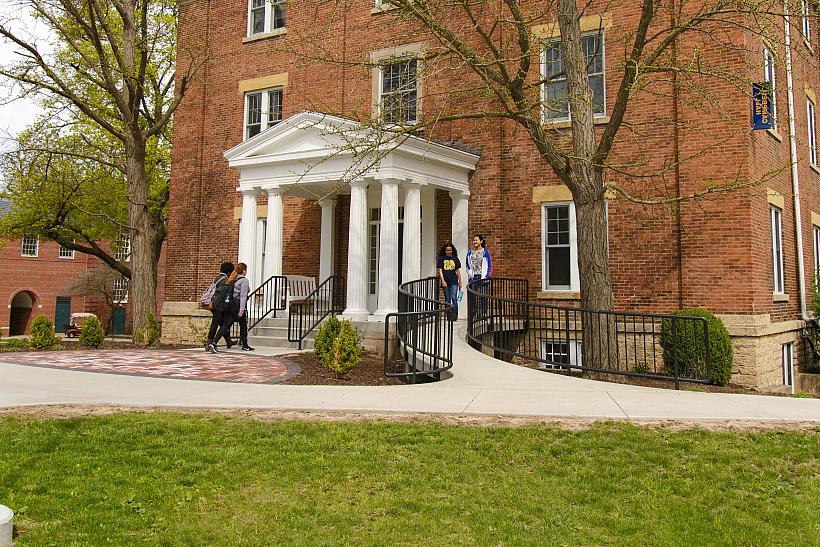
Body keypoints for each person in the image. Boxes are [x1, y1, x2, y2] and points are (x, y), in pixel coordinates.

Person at [206, 261, 236, 353]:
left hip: (213, 303)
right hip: (218, 306)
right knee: (215, 323)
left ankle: (228, 341)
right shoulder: (225, 279)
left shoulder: (217, 278)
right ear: (228, 272)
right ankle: (209, 343)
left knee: (222, 323)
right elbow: (223, 294)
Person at [466, 234, 493, 319]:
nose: (474, 242)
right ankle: (474, 313)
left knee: (483, 296)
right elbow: (467, 265)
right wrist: (470, 273)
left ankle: (484, 314)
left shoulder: (485, 252)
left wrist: (486, 276)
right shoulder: (470, 252)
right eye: (474, 240)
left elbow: (490, 265)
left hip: (483, 278)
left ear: (481, 241)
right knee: (472, 297)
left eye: (476, 240)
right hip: (473, 278)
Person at [436, 242, 462, 321]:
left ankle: (455, 315)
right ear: (445, 251)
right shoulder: (441, 259)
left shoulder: (455, 259)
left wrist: (460, 281)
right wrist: (443, 281)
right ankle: (449, 316)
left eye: (450, 250)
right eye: (447, 250)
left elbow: (457, 271)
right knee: (447, 299)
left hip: (454, 281)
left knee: (453, 297)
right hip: (445, 281)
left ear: (452, 250)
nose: (449, 251)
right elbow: (440, 271)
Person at [232, 262, 254, 351]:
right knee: (243, 325)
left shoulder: (233, 279)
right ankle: (245, 345)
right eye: (246, 270)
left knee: (226, 325)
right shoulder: (244, 280)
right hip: (239, 306)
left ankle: (213, 342)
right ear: (244, 270)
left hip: (232, 306)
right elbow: (243, 296)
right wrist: (241, 310)